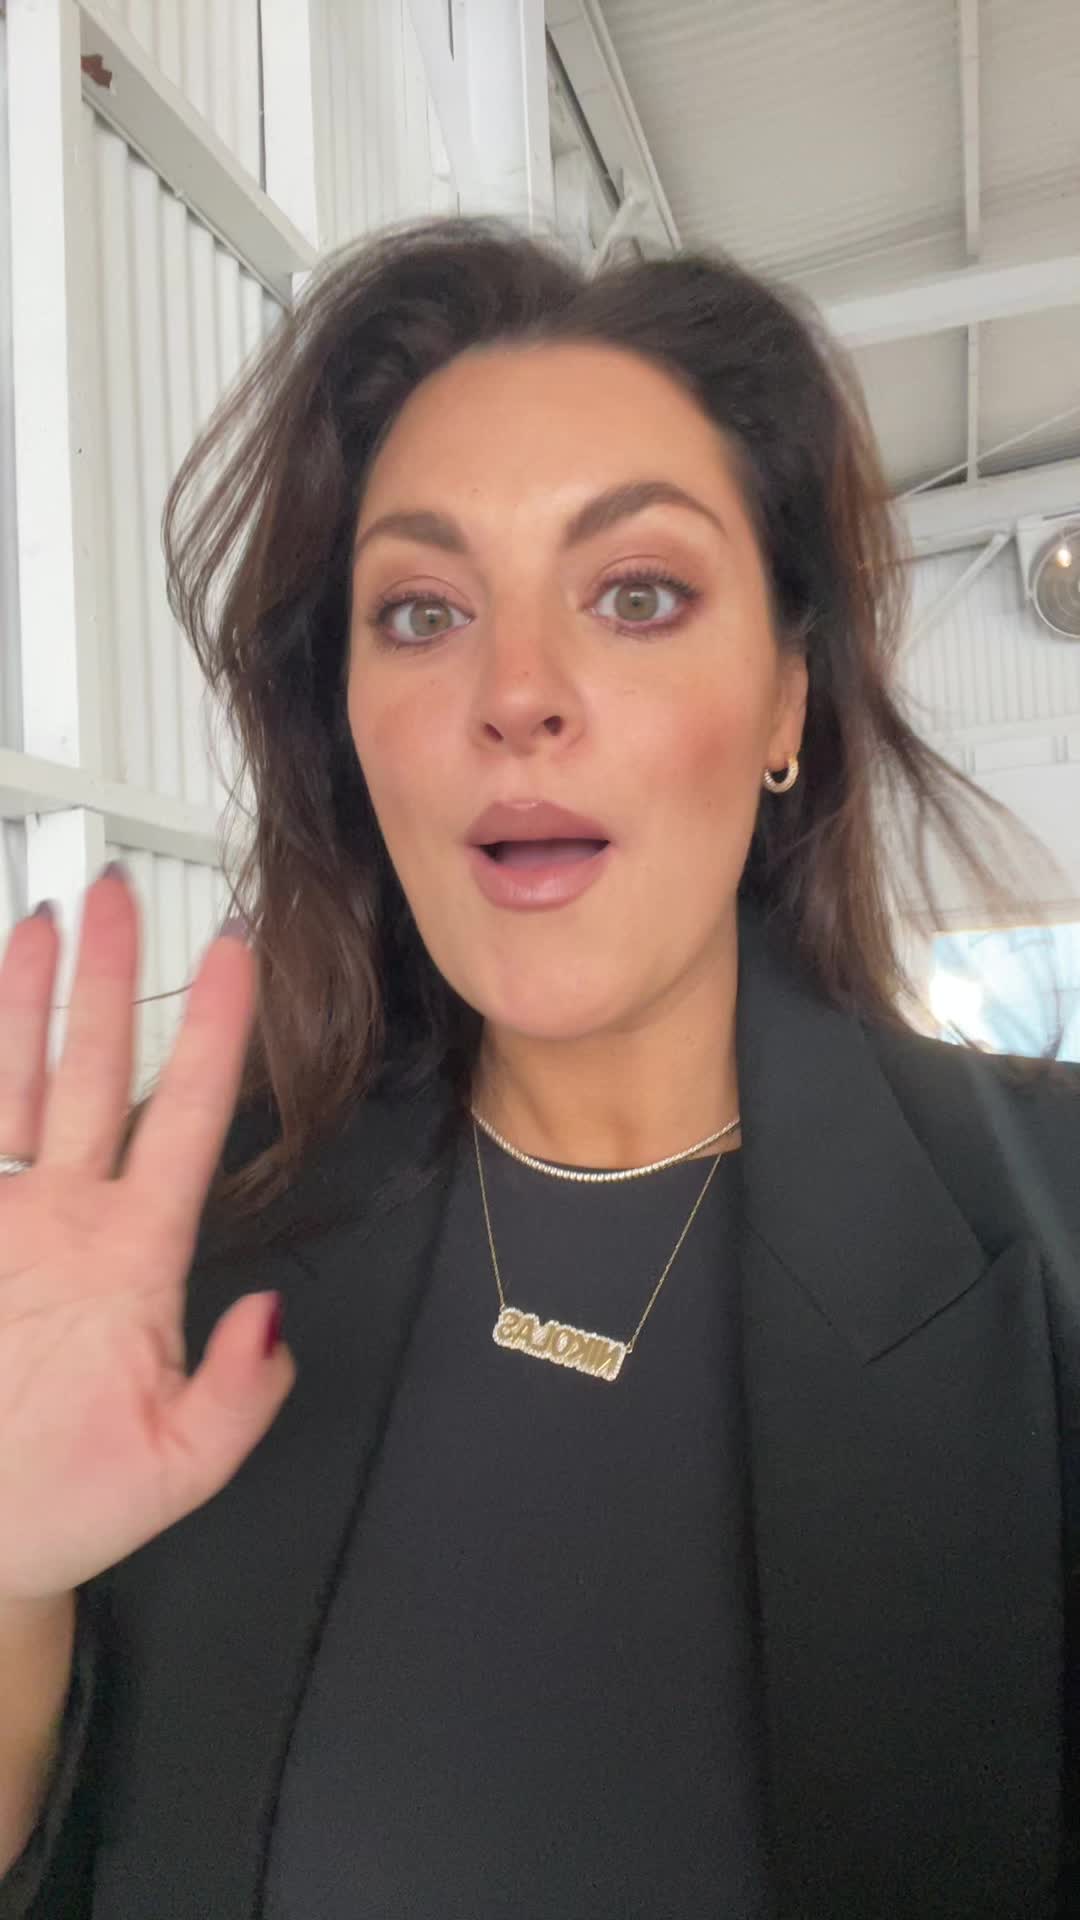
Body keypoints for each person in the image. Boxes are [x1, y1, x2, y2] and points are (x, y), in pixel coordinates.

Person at [0, 214, 1078, 1919]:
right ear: (350, 729)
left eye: (637, 595)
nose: (516, 693)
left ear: (787, 698)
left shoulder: (1051, 1244)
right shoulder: (184, 1260)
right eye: (422, 611)